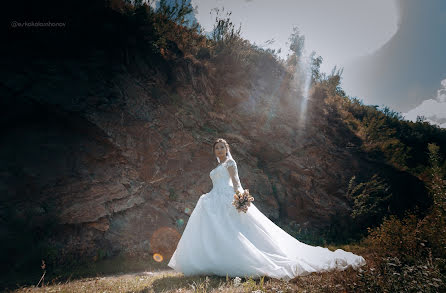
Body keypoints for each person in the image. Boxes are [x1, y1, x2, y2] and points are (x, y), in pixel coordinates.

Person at [167, 138, 366, 280]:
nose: (219, 150)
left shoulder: (230, 162)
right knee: (215, 231)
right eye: (217, 148)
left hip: (228, 197)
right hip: (213, 199)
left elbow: (236, 181)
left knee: (235, 231)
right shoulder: (217, 166)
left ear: (227, 149)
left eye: (222, 147)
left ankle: (237, 261)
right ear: (214, 151)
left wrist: (241, 198)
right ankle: (212, 261)